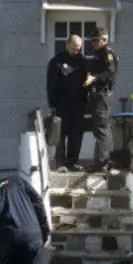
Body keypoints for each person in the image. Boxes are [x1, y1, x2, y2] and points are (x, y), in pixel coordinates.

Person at [46, 33, 94, 171]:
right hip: (61, 103)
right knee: (60, 134)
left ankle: (72, 162)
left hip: (78, 104)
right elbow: (51, 85)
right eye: (74, 47)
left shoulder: (84, 62)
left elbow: (89, 82)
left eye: (79, 48)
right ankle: (60, 163)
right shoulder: (56, 62)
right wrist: (52, 104)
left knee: (76, 134)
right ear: (67, 45)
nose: (76, 51)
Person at [85, 30, 119, 173]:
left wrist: (94, 78)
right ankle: (105, 160)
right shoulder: (98, 56)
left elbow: (110, 73)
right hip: (96, 96)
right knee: (102, 128)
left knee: (101, 129)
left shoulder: (107, 55)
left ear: (104, 40)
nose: (93, 43)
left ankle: (101, 164)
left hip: (101, 96)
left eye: (96, 40)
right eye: (92, 40)